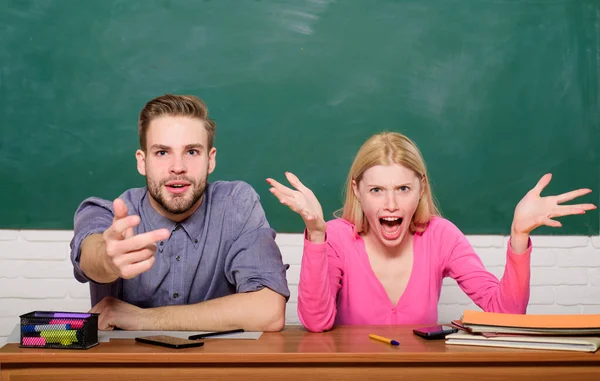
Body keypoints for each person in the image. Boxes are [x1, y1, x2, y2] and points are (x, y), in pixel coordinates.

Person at [267, 132, 596, 332]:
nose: (392, 204)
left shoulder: (441, 236)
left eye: (403, 188)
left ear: (421, 188)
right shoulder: (337, 237)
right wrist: (315, 233)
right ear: (357, 190)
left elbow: (506, 313)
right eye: (377, 190)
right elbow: (315, 322)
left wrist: (519, 234)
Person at [70, 94, 289, 331]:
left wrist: (144, 319)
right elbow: (92, 253)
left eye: (192, 152)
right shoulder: (110, 214)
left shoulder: (237, 204)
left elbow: (268, 312)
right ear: (142, 162)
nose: (178, 167)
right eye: (162, 152)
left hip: (215, 367)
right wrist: (107, 259)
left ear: (210, 159)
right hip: (130, 367)